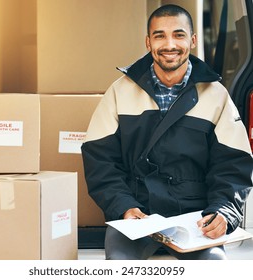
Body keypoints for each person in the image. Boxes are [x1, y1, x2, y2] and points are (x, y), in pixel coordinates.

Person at [81, 4, 253, 260]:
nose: (169, 44)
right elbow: (99, 161)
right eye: (160, 35)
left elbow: (233, 165)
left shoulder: (217, 96)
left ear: (193, 40)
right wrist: (124, 206)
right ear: (148, 42)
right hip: (136, 217)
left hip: (196, 220)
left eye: (179, 35)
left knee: (215, 266)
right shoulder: (119, 92)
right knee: (119, 265)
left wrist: (223, 210)